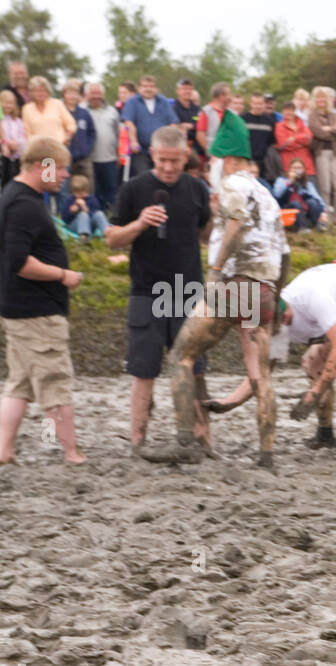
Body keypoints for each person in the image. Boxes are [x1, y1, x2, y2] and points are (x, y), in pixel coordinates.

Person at [139, 115, 287, 467]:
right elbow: (284, 251)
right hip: (263, 289)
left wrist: (216, 271)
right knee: (260, 374)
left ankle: (184, 441)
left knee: (180, 357)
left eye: (214, 161)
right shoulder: (267, 195)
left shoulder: (233, 184)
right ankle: (267, 455)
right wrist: (276, 298)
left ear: (224, 159)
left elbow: (235, 224)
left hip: (236, 285)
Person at [206, 263, 336, 449]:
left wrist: (313, 394)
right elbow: (262, 371)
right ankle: (325, 434)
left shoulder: (311, 297)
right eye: (278, 324)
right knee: (311, 362)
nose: (286, 321)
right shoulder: (272, 327)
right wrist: (230, 402)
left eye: (284, 316)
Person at [105, 126, 214, 453]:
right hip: (146, 292)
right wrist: (139, 224)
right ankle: (138, 442)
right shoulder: (133, 189)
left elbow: (207, 235)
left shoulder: (197, 189)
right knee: (144, 372)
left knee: (194, 370)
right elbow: (111, 238)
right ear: (152, 155)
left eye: (175, 161)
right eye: (163, 160)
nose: (168, 167)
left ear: (185, 157)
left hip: (188, 292)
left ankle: (203, 440)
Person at [0, 137, 86, 464]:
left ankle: (4, 451)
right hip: (36, 311)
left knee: (19, 383)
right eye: (60, 167)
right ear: (42, 166)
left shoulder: (16, 196)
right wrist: (63, 275)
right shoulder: (23, 204)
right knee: (55, 382)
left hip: (19, 308)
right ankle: (71, 453)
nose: (65, 174)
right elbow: (20, 263)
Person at [121, 76, 179, 176]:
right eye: (145, 86)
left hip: (162, 148)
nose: (148, 89)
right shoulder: (132, 102)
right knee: (144, 175)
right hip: (141, 149)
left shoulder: (164, 102)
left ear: (156, 89)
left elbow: (173, 123)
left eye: (151, 86)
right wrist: (134, 141)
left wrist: (173, 142)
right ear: (139, 88)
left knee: (163, 174)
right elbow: (129, 123)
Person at [307, 87, 336, 223]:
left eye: (323, 97)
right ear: (314, 99)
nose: (321, 100)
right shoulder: (312, 115)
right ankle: (325, 218)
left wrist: (329, 129)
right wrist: (333, 131)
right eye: (318, 97)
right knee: (325, 188)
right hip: (321, 153)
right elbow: (318, 132)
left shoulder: (333, 114)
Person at [83, 83, 119, 213]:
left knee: (111, 188)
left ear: (102, 94)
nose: (96, 96)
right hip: (89, 159)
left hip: (110, 158)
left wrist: (119, 154)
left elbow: (118, 134)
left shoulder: (112, 111)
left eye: (98, 93)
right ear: (87, 94)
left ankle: (113, 216)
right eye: (93, 93)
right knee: (94, 190)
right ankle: (98, 215)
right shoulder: (82, 110)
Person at [0, 90, 25, 190]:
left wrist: (16, 144)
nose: (8, 106)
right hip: (2, 156)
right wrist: (4, 144)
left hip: (15, 158)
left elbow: (23, 137)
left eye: (11, 103)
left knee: (13, 184)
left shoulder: (18, 121)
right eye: (5, 102)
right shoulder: (1, 121)